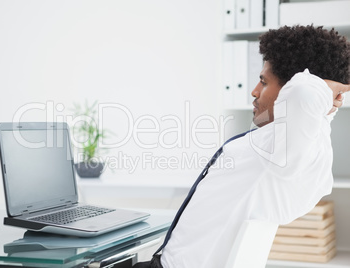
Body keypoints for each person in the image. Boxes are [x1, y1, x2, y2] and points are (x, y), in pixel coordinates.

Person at [133, 25, 350, 268]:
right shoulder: (303, 147)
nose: (254, 91)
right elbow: (307, 103)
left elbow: (303, 93)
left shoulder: (278, 154)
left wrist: (327, 86)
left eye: (263, 82)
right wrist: (326, 106)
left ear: (289, 89)